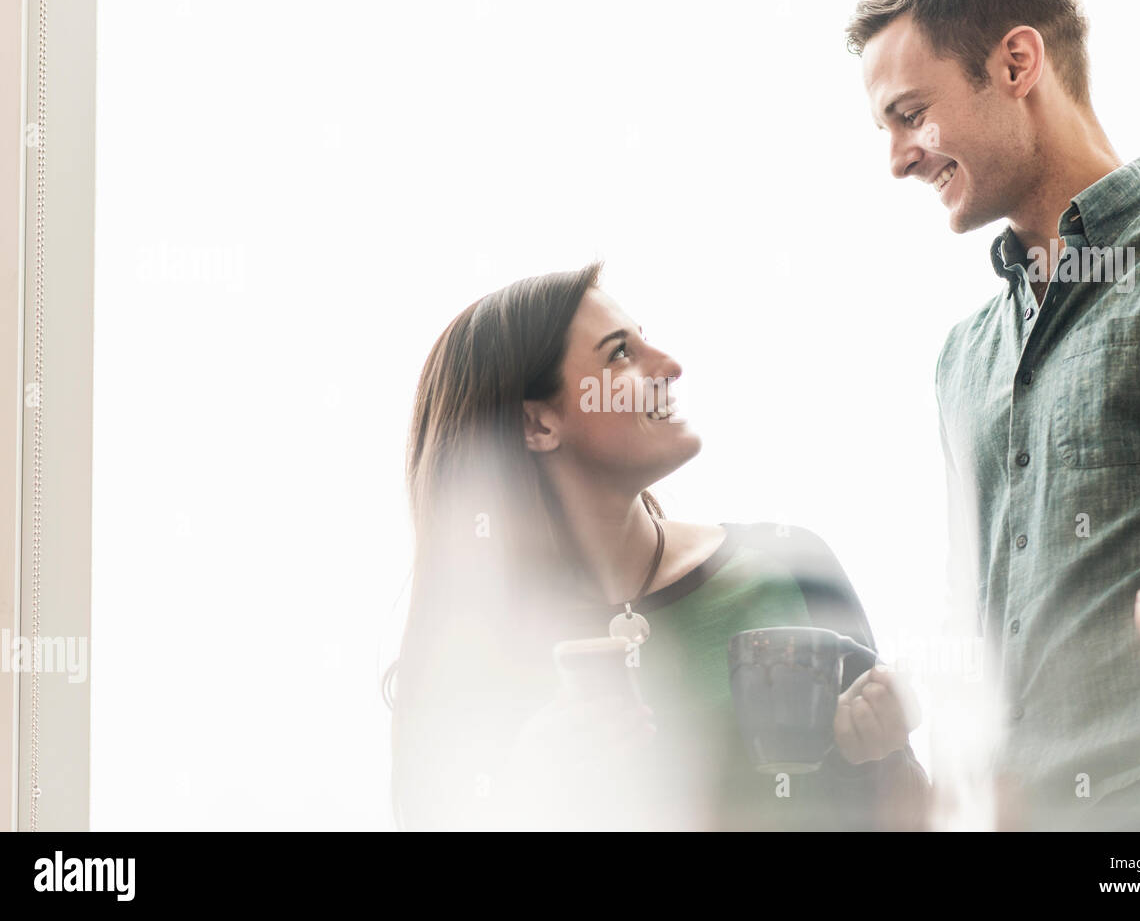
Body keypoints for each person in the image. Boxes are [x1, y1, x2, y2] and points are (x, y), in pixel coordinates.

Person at [846, 0, 1140, 830]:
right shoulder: (961, 357)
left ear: (1016, 64)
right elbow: (986, 601)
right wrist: (910, 692)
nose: (898, 159)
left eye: (910, 115)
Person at [389, 263, 930, 830]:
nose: (671, 367)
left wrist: (877, 755)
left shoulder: (792, 568)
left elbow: (909, 815)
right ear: (538, 424)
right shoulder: (474, 658)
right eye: (619, 354)